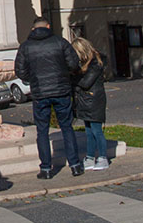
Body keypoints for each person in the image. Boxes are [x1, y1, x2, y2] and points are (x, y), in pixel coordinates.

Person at [14, 16, 83, 178]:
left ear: (33, 29)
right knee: (67, 127)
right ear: (48, 26)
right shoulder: (60, 42)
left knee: (42, 131)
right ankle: (75, 165)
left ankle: (45, 168)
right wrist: (63, 74)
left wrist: (32, 79)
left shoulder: (26, 47)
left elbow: (20, 71)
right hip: (61, 90)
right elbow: (73, 63)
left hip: (40, 93)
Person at [72, 37, 108, 170]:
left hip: (94, 100)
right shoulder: (86, 63)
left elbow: (86, 83)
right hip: (85, 101)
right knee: (88, 131)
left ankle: (103, 157)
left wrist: (74, 79)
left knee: (97, 130)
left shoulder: (96, 63)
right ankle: (90, 156)